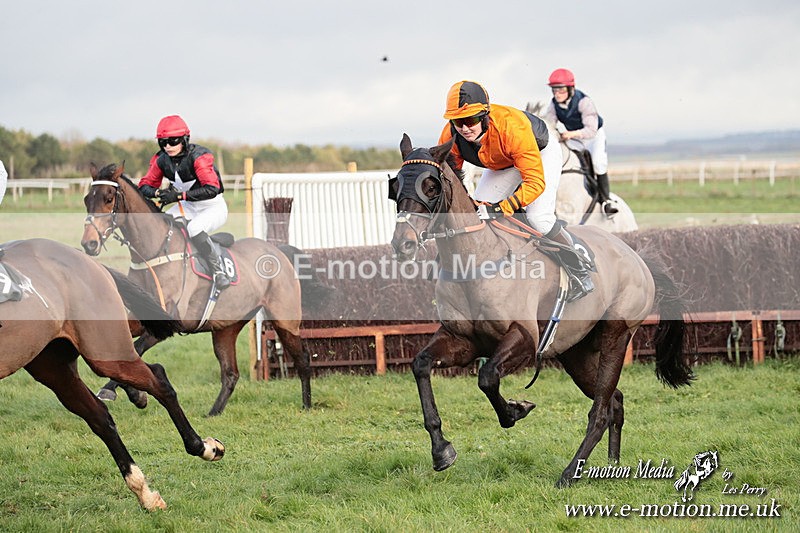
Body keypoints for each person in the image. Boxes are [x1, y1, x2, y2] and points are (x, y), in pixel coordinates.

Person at [439, 80, 594, 299]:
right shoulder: (451, 135)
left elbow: (535, 183)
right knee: (477, 215)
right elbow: (451, 179)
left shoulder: (512, 128)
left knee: (539, 218)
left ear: (484, 116)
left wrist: (503, 207)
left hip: (540, 152)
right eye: (457, 121)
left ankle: (579, 267)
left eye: (470, 120)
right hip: (502, 162)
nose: (464, 128)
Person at [138, 115, 230, 289]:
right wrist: (159, 192)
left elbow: (212, 189)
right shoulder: (161, 159)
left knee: (194, 228)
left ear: (185, 140)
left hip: (213, 207)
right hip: (188, 206)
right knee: (162, 225)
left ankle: (219, 271)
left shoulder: (199, 157)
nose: (168, 146)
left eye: (173, 141)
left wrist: (179, 196)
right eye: (163, 142)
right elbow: (144, 185)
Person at [542, 68, 618, 215]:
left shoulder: (584, 102)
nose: (557, 94)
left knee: (598, 163)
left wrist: (570, 134)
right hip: (575, 138)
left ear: (571, 89)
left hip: (593, 137)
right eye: (554, 90)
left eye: (561, 90)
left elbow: (591, 130)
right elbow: (549, 123)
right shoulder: (553, 105)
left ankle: (606, 201)